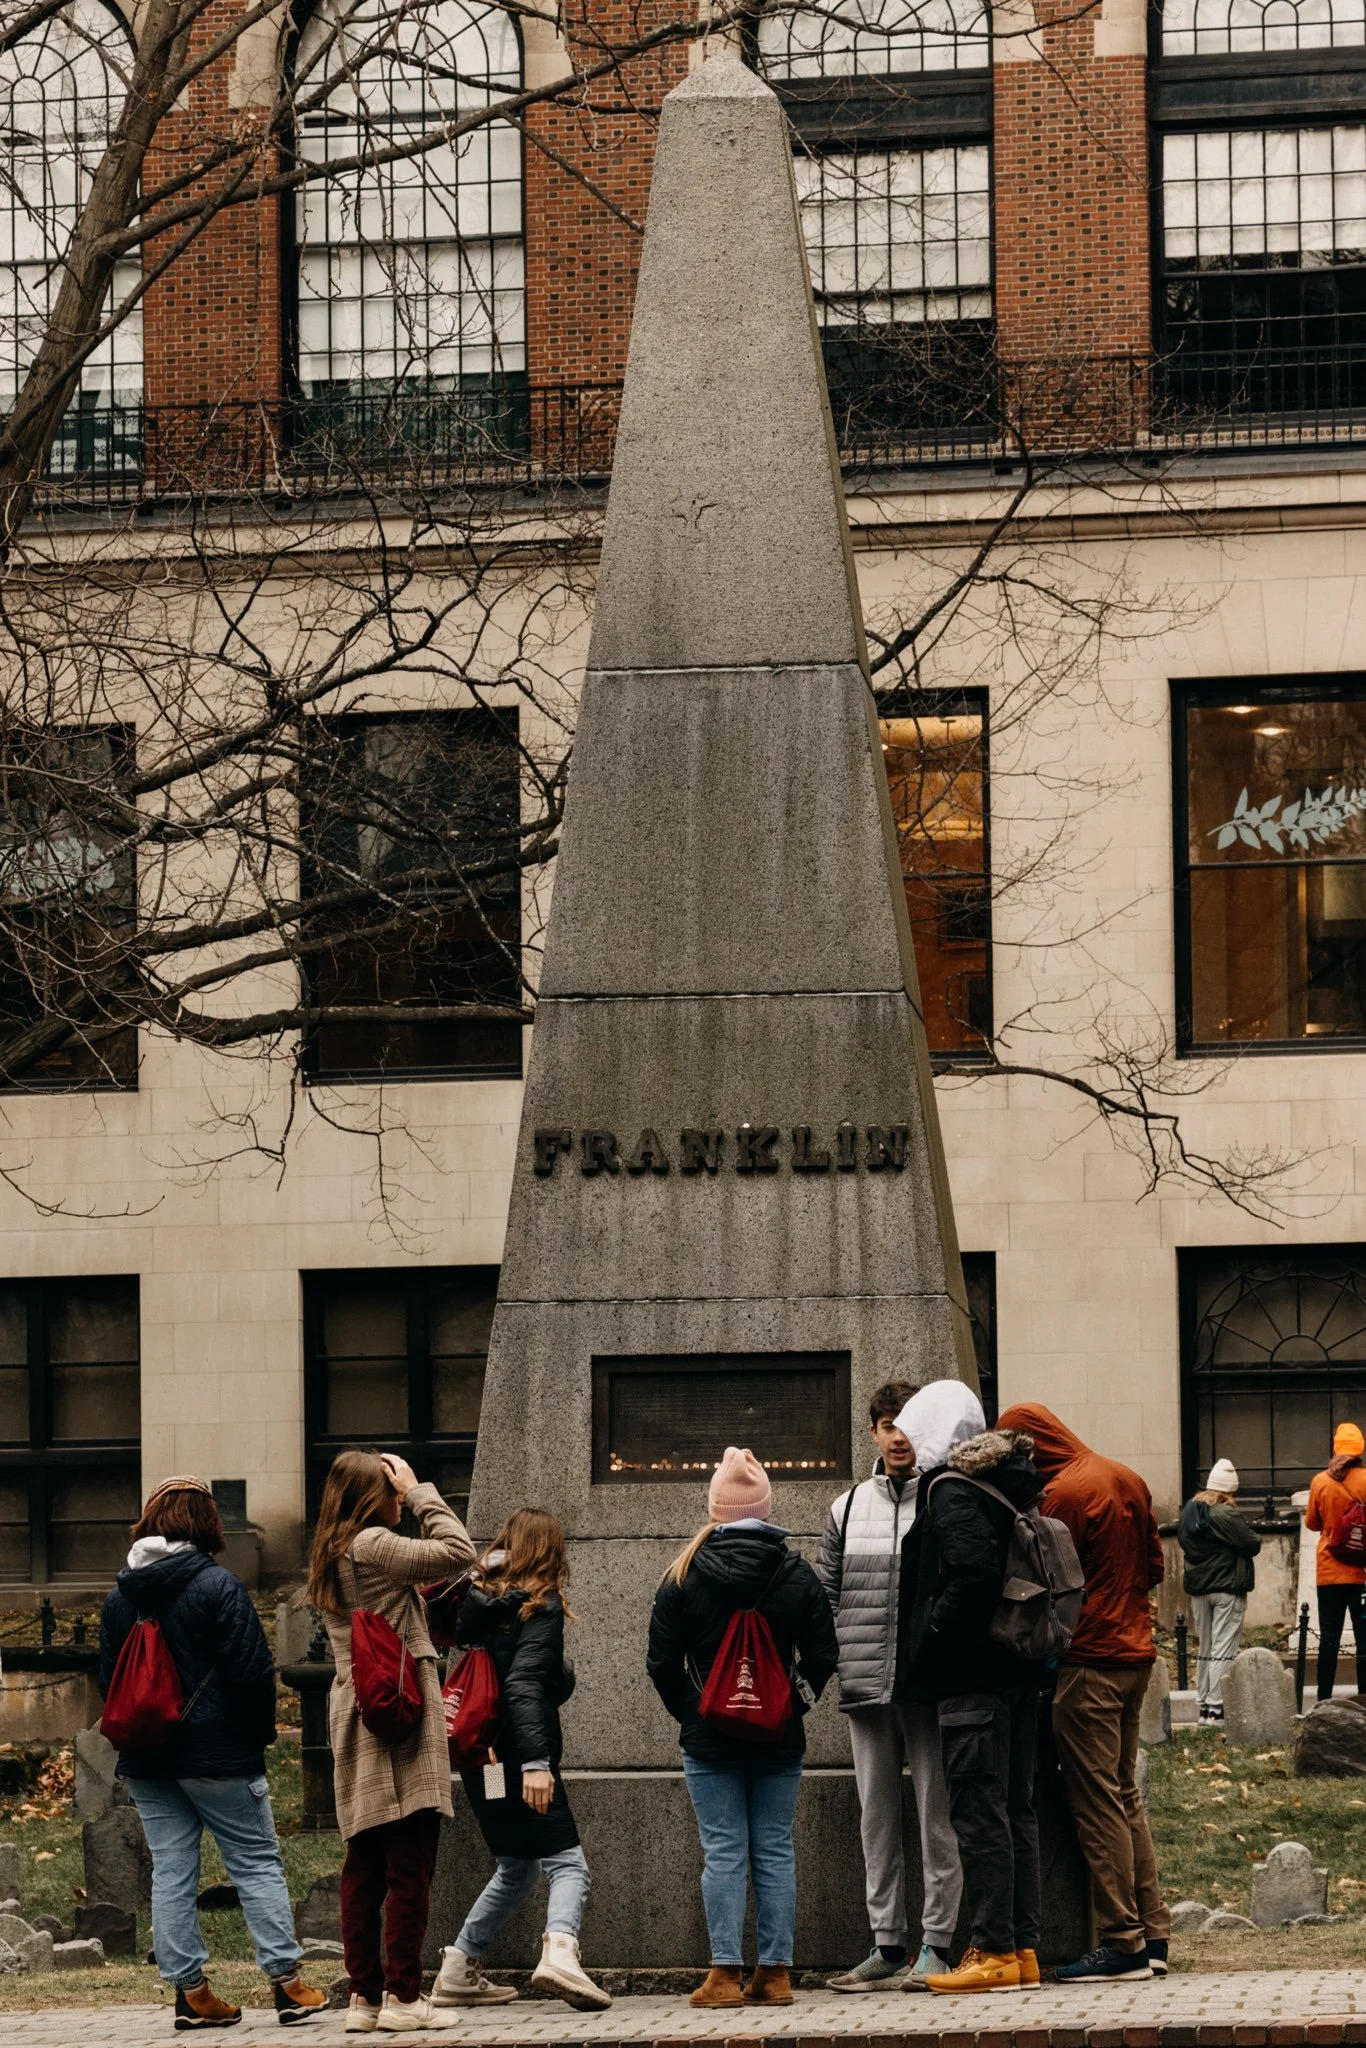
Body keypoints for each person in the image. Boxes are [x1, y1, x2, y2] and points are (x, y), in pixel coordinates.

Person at [98, 1475, 325, 2031]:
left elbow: (109, 1680)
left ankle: (192, 1995)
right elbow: (251, 1674)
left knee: (172, 1870)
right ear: (207, 1525)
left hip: (146, 1756)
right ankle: (288, 1985)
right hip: (219, 1754)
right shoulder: (218, 1586)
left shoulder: (119, 1596)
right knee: (254, 1861)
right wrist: (256, 1739)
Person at [646, 1446, 839, 2010]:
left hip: (710, 1742)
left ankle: (725, 1976)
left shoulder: (682, 1573)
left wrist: (697, 1712)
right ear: (766, 1507)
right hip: (779, 1738)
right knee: (775, 1849)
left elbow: (661, 1664)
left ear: (714, 1508)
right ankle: (775, 1975)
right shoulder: (797, 1572)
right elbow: (824, 1654)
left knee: (724, 1851)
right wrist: (791, 1705)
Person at [996, 1403, 1168, 1985]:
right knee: (1124, 1793)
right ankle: (1154, 1930)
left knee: (1096, 1804)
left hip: (1089, 1661)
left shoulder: (1064, 1494)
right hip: (1136, 1653)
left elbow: (1050, 1584)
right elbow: (1155, 1566)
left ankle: (1121, 1943)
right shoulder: (1126, 1476)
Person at [307, 1449, 475, 2035]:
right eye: (393, 1491)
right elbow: (460, 1552)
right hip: (399, 1708)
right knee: (410, 1861)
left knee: (366, 1863)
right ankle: (403, 1996)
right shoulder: (374, 1544)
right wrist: (424, 1487)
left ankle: (364, 1998)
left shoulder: (329, 1554)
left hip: (356, 1708)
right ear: (370, 1497)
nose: (400, 1499)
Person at [817, 1379, 977, 1993]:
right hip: (864, 1684)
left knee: (938, 1816)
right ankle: (887, 1942)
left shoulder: (942, 1501)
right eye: (886, 1424)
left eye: (906, 1423)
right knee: (876, 1818)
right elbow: (828, 1593)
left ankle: (937, 1942)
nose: (897, 1435)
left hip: (927, 1684)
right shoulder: (848, 1507)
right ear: (873, 1431)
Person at [894, 1398, 1046, 1996]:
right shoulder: (1006, 1484)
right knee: (1016, 1809)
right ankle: (1023, 1947)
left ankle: (992, 1950)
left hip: (971, 1681)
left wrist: (930, 1636)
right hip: (1017, 1673)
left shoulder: (951, 1489)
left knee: (979, 1812)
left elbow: (973, 1573)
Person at [433, 1508, 609, 2013]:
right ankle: (560, 1952)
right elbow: (523, 1684)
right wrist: (536, 1763)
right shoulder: (539, 1606)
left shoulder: (475, 1602)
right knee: (568, 1863)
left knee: (516, 1865)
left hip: (483, 1763)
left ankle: (457, 1967)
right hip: (519, 1760)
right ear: (550, 1551)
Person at [1178, 1458, 1260, 1724]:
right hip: (1227, 1587)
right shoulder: (1225, 1513)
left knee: (1206, 1646)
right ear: (1230, 1490)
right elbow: (1251, 1544)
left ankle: (1203, 1706)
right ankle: (1216, 1708)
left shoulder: (1191, 1511)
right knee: (1223, 1647)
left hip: (1199, 1588)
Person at [1306, 1422, 1366, 1701]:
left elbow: (1312, 1523)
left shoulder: (1320, 1482)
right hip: (1361, 1572)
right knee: (1364, 1639)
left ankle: (1324, 1699)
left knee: (1329, 1638)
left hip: (1329, 1571)